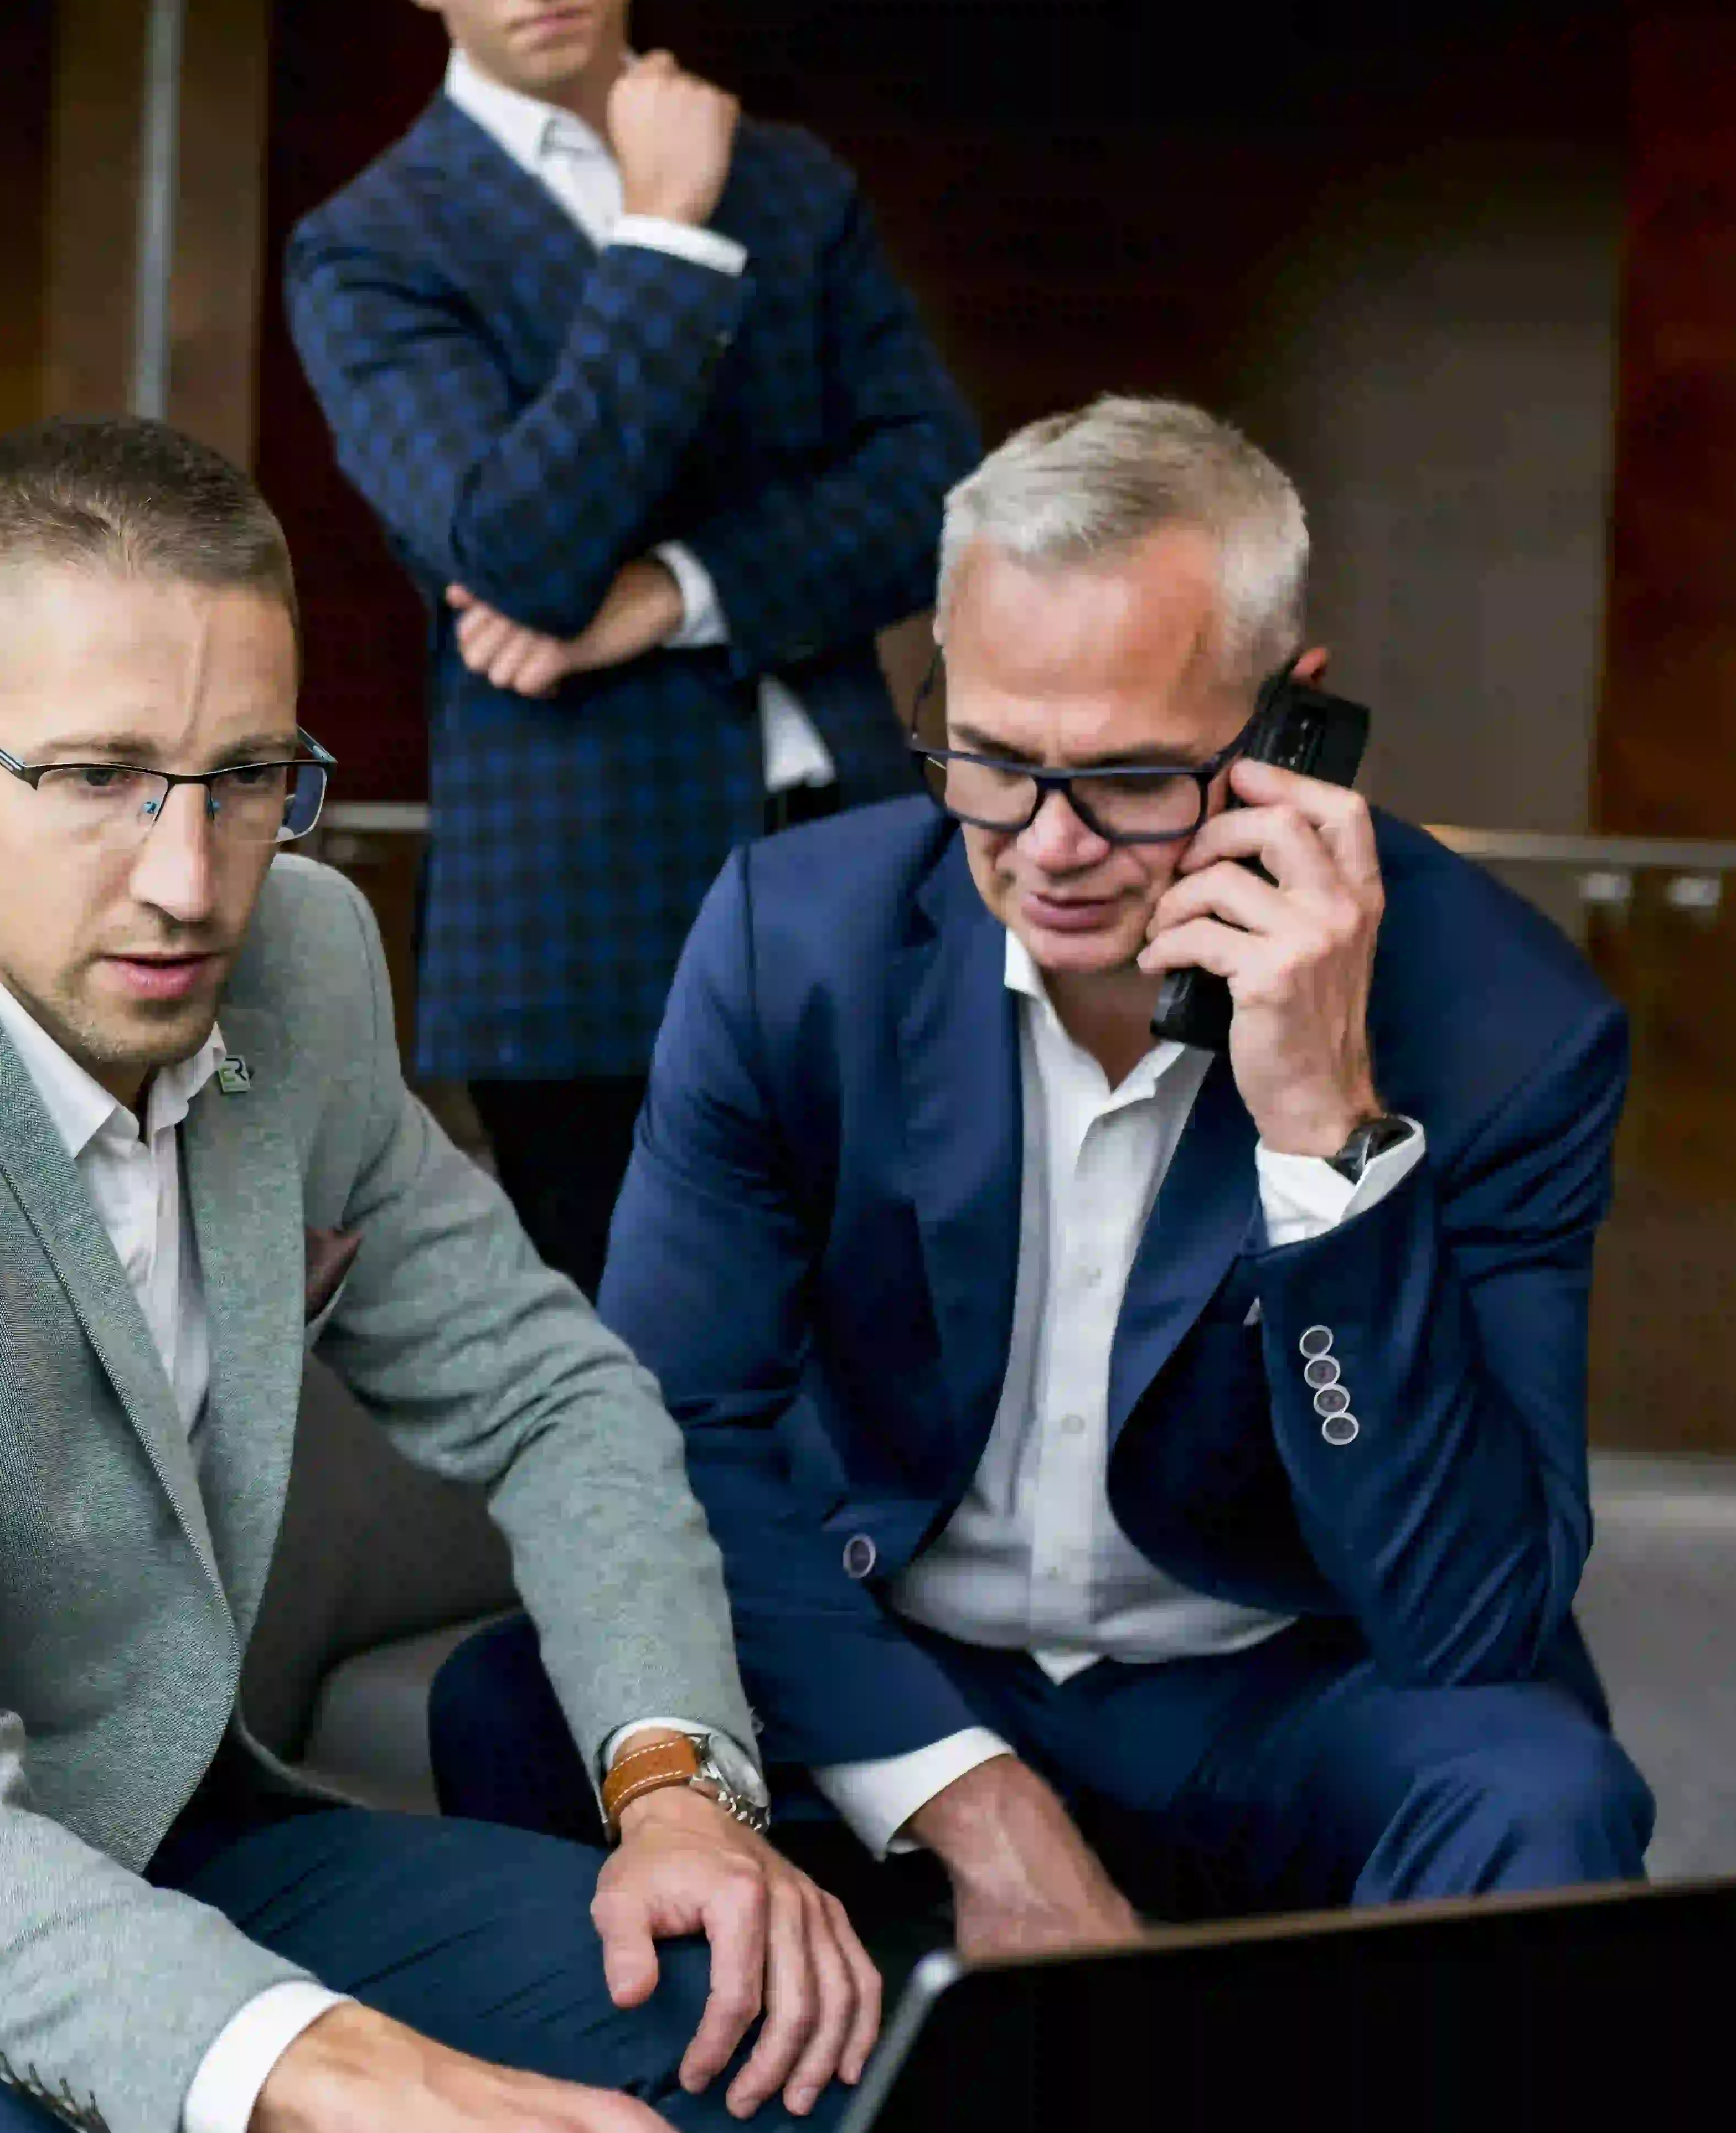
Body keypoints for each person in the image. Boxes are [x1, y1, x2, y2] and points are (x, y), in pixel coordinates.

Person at [0, 415, 879, 2133]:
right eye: (97, 776)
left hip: (185, 1826)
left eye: (249, 776)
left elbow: (556, 1394)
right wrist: (345, 2070)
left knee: (761, 2025)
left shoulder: (303, 964)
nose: (190, 885)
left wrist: (676, 1782)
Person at [428, 397, 1655, 1944]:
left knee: (1539, 1793)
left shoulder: (1507, 1027)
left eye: (1133, 777)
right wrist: (963, 1792)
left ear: (1293, 725)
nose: (1049, 844)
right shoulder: (791, 942)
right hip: (900, 1665)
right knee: (531, 1706)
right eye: (992, 757)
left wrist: (1328, 1144)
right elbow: (678, 1436)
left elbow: (1469, 1616)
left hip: (1275, 1687)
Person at [283, 0, 976, 1299]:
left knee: (889, 1346)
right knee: (641, 1391)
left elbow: (938, 492)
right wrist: (661, 233)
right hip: (582, 925)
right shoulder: (370, 249)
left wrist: (671, 593)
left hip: (862, 860)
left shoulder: (792, 188)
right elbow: (521, 553)